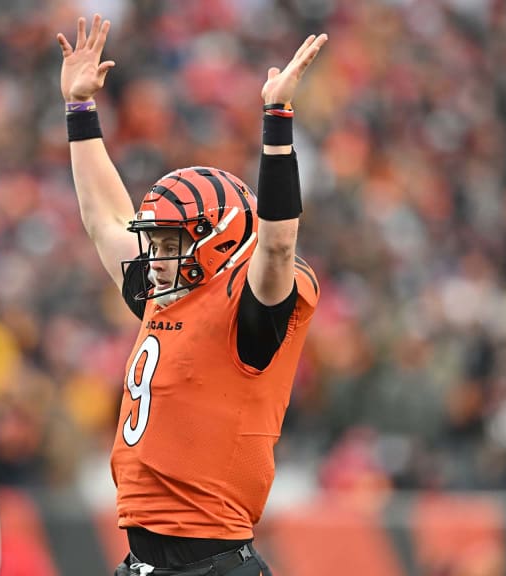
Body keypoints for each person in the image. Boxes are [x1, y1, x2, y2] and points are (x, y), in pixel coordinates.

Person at [57, 14, 327, 576]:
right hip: (142, 561)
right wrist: (80, 112)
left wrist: (277, 121)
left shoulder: (245, 307)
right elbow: (104, 218)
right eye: (154, 241)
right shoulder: (168, 292)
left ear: (216, 237)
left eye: (169, 241)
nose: (156, 257)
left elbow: (276, 246)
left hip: (212, 562)